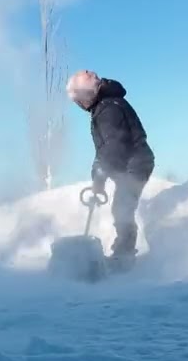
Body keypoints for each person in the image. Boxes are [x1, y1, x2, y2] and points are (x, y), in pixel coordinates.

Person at [65, 69, 155, 260]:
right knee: (121, 206)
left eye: (78, 100)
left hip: (136, 162)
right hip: (131, 161)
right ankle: (123, 253)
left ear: (86, 96)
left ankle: (123, 258)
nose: (79, 105)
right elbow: (108, 149)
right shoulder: (106, 105)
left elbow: (113, 147)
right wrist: (99, 176)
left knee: (122, 207)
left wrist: (99, 176)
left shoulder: (108, 109)